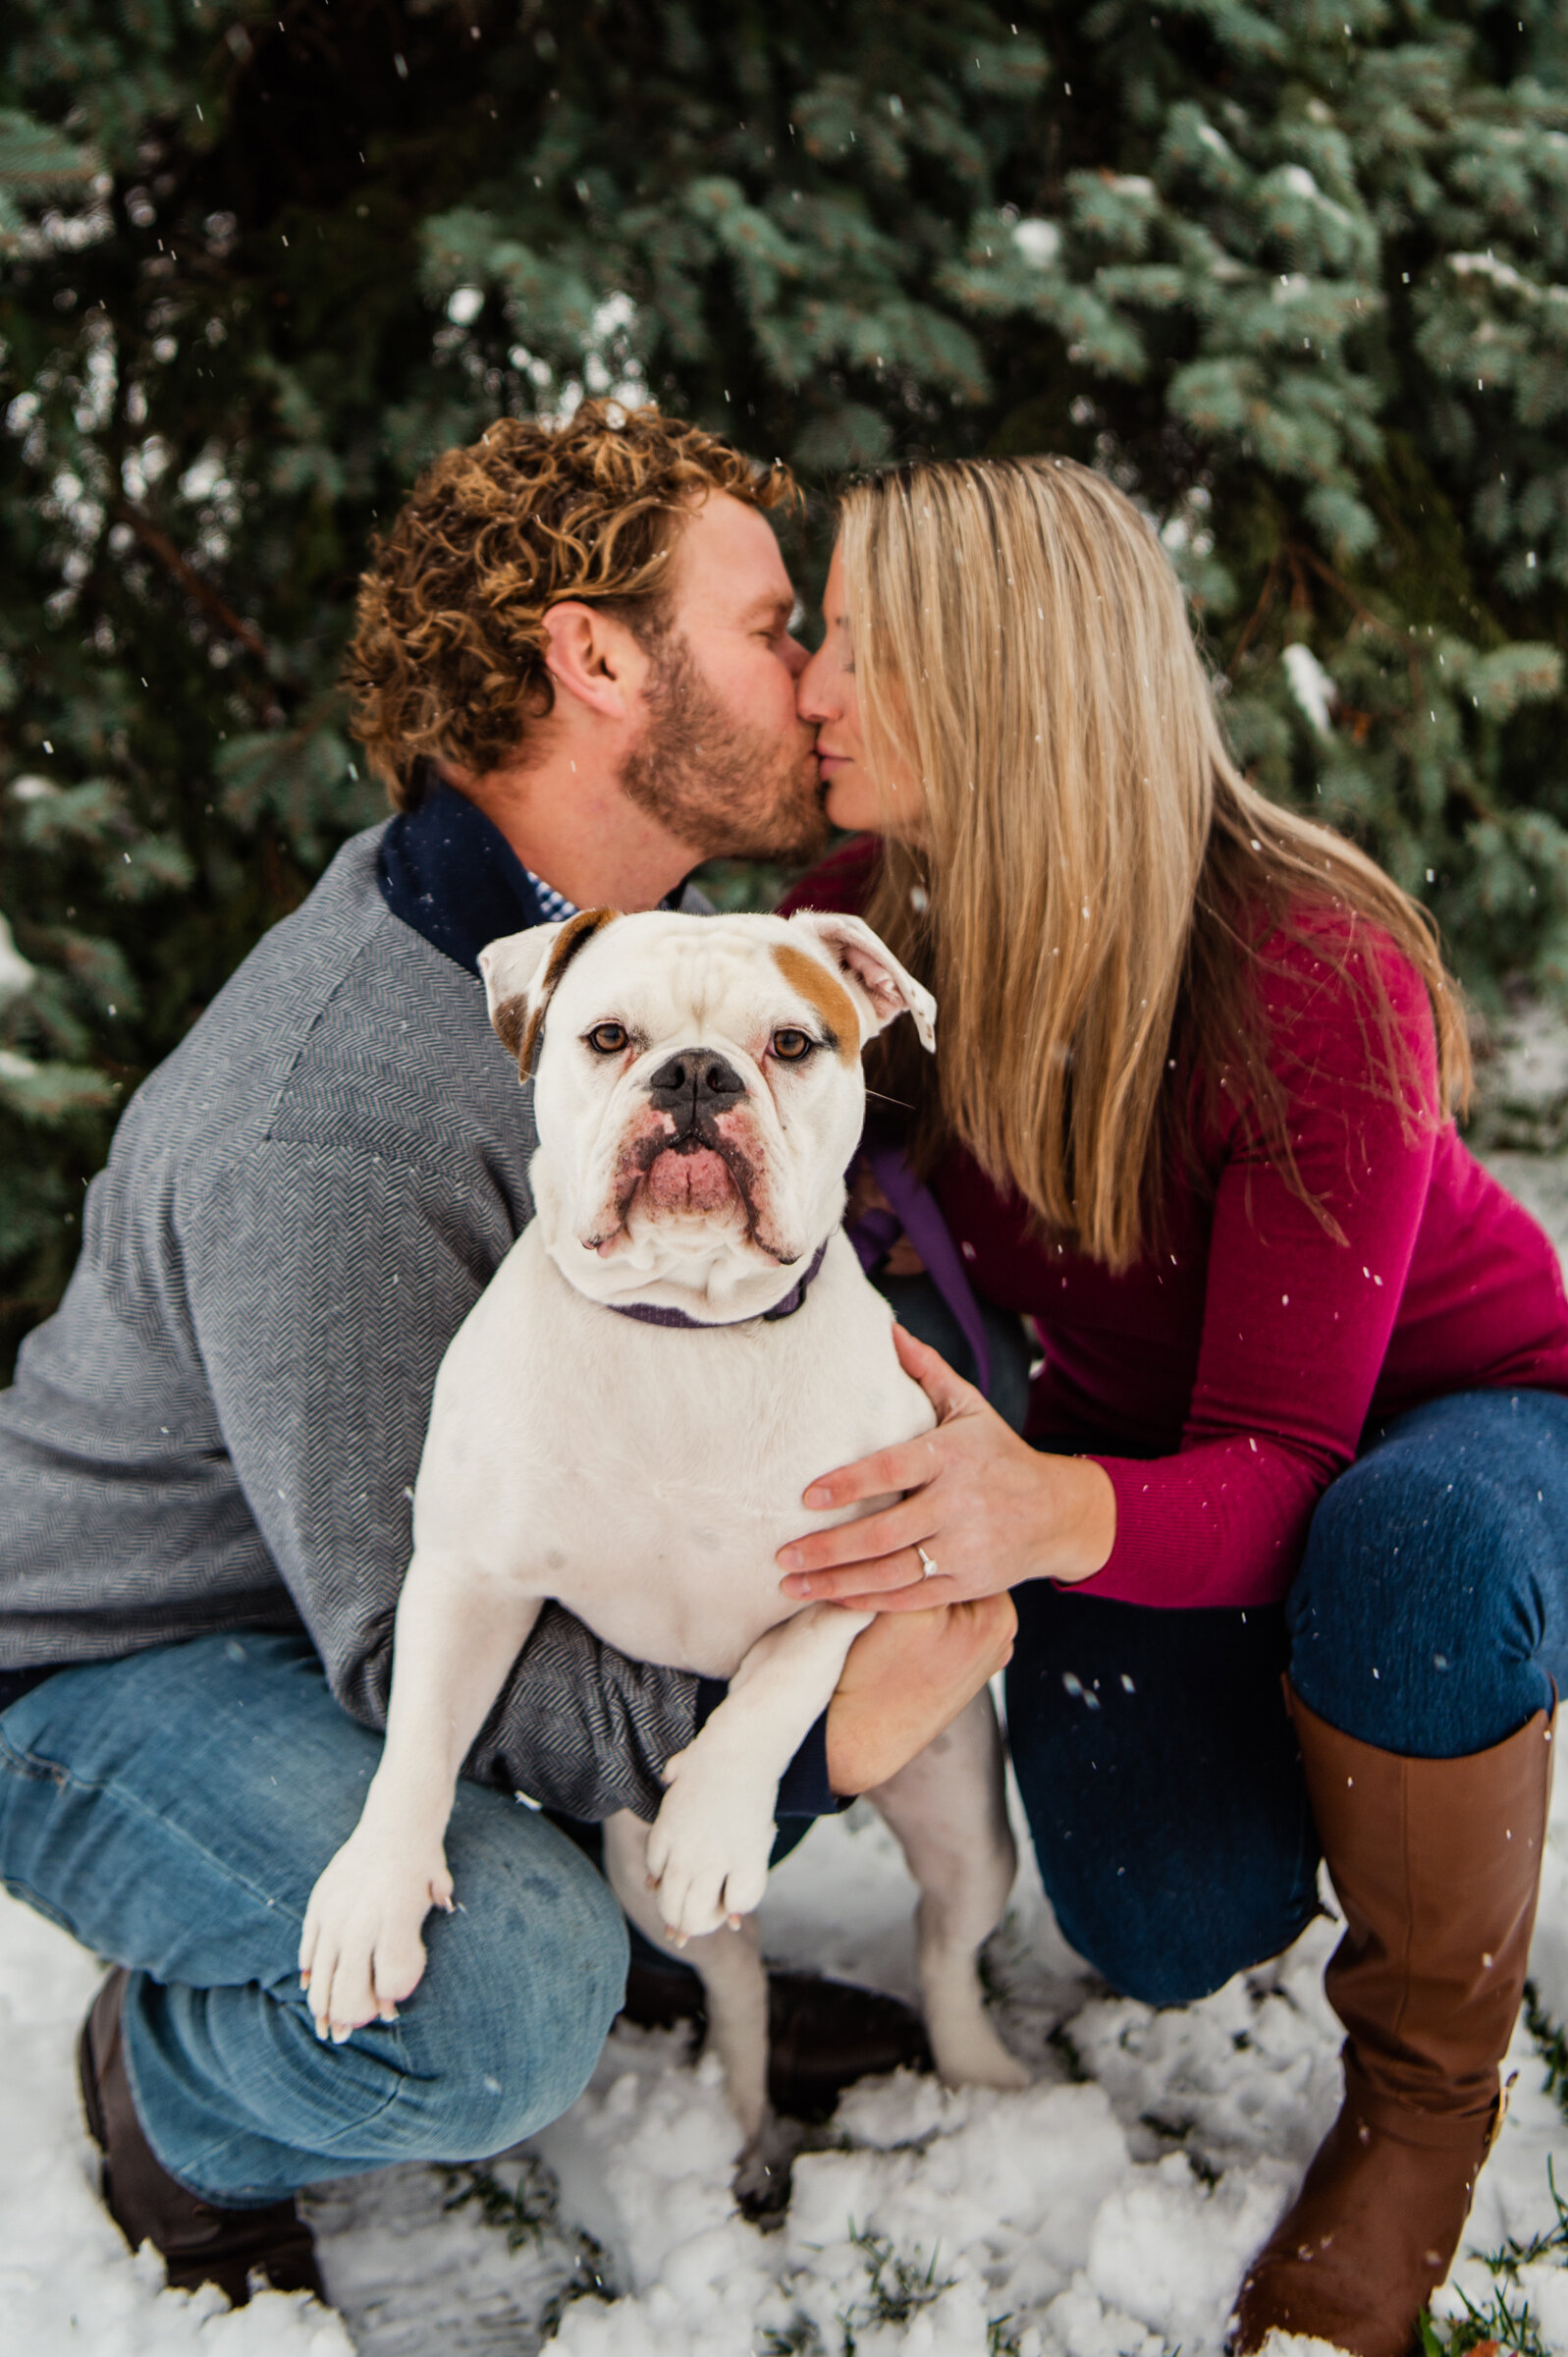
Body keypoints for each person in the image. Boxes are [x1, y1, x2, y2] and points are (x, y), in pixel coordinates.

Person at [0, 405, 1012, 2307]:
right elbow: (405, 1634)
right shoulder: (344, 1124)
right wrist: (803, 1725)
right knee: (497, 1990)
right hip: (108, 1662)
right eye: (771, 624)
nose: (815, 677)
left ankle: (647, 1911)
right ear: (598, 658)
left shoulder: (623, 952)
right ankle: (175, 2091)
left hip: (327, 1591)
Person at [776, 454, 1565, 2357]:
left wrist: (1046, 1517)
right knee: (1156, 1924)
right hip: (1149, 1468)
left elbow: (1291, 1460)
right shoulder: (862, 926)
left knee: (1408, 1554)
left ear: (999, 677)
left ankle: (1420, 2105)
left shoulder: (1307, 967)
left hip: (1450, 1420)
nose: (808, 688)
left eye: (856, 651)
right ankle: (1347, 1734)